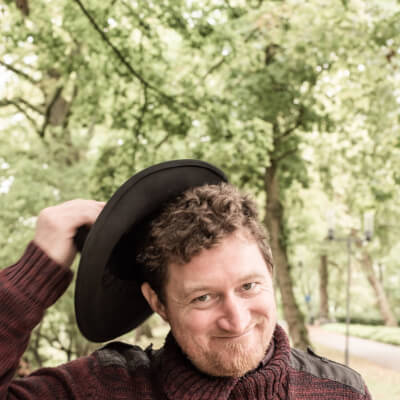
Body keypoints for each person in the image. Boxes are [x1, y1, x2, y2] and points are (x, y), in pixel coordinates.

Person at [0, 180, 371, 399]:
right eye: (203, 297)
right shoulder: (104, 388)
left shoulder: (341, 392)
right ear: (158, 303)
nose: (236, 320)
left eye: (249, 286)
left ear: (270, 275)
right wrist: (31, 279)